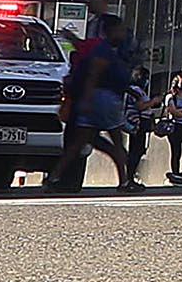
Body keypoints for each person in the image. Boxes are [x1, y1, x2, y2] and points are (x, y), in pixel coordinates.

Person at [49, 15, 141, 192]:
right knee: (116, 141)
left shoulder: (110, 50)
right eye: (120, 29)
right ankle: (124, 181)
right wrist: (87, 99)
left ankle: (54, 177)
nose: (124, 33)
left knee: (79, 143)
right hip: (105, 100)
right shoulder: (104, 50)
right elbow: (94, 75)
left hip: (99, 98)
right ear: (112, 31)